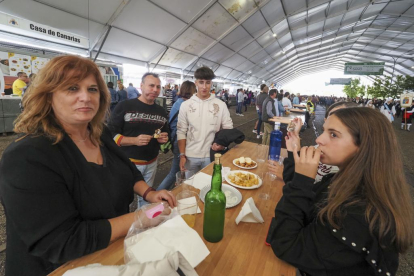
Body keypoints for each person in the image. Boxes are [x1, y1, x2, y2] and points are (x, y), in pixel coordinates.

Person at [0, 56, 176, 276]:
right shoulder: (27, 156)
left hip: (106, 257)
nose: (85, 97)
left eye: (92, 89)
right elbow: (63, 240)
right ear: (48, 95)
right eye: (72, 88)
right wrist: (141, 218)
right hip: (58, 269)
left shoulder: (98, 135)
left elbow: (128, 170)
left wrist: (150, 193)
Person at [270, 107, 414, 276]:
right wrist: (295, 156)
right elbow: (302, 208)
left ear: (364, 147)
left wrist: (303, 180)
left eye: (333, 134)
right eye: (324, 130)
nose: (319, 139)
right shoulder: (341, 181)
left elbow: (285, 244)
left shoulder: (359, 214)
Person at [108, 72, 169, 208]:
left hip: (152, 162)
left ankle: (142, 227)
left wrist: (163, 139)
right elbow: (110, 133)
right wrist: (133, 140)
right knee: (124, 198)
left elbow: (165, 132)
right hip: (127, 163)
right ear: (141, 86)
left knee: (146, 199)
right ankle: (125, 226)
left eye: (158, 87)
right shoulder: (124, 106)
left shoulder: (161, 111)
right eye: (151, 86)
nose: (155, 90)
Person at [177, 66, 233, 172]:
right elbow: (181, 131)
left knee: (210, 185)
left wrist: (221, 144)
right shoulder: (186, 105)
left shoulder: (220, 105)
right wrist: (182, 154)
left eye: (207, 82)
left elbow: (228, 128)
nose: (204, 86)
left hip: (211, 155)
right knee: (191, 187)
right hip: (190, 156)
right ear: (196, 83)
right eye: (201, 82)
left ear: (211, 84)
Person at [157, 81, 197, 191]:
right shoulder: (187, 106)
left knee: (180, 169)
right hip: (180, 141)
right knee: (175, 171)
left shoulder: (177, 102)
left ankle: (177, 187)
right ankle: (157, 195)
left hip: (175, 139)